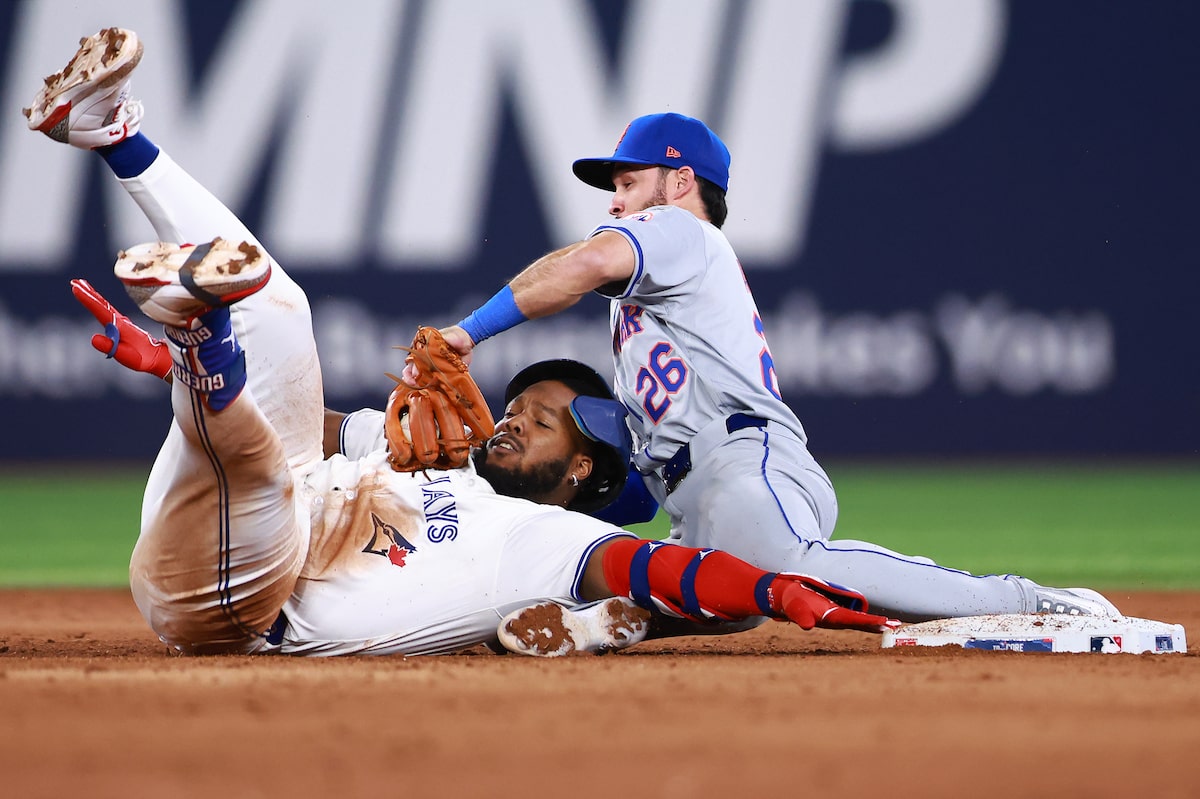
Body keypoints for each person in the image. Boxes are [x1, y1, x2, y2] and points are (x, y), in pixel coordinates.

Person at [29, 27, 897, 657]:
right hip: (224, 504)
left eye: (544, 423)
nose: (510, 422)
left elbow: (662, 567)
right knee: (284, 310)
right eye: (519, 407)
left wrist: (773, 587)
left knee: (254, 466)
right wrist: (160, 370)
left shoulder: (542, 541)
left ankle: (202, 334)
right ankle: (112, 135)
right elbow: (312, 420)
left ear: (583, 473)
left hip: (239, 599)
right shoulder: (437, 457)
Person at [418, 109, 1123, 647]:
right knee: (695, 589)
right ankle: (600, 622)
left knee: (788, 564)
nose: (615, 200)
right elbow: (631, 479)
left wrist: (464, 332)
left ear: (679, 182)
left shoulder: (677, 231)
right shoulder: (649, 300)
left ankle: (1027, 601)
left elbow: (576, 268)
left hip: (745, 463)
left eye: (627, 181)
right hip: (695, 497)